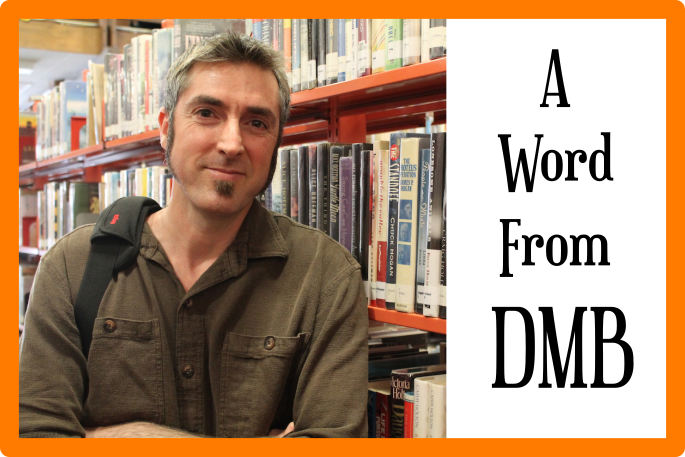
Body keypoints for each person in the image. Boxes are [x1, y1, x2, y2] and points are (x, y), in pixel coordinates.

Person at [19, 32, 368, 438]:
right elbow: (34, 435)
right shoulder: (72, 267)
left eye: (256, 123)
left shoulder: (325, 276)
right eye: (207, 113)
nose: (232, 143)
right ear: (165, 128)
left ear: (276, 143)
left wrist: (125, 438)